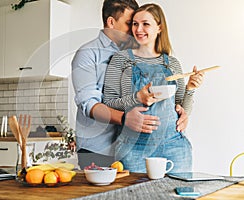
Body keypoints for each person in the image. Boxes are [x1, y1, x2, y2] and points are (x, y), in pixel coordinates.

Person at [71, 0, 188, 169]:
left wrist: (181, 112)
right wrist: (125, 119)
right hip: (98, 148)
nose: (135, 30)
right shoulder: (88, 54)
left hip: (132, 145)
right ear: (111, 22)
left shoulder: (138, 52)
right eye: (130, 23)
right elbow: (88, 104)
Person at [103, 3, 204, 173]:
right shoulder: (120, 60)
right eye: (135, 23)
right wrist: (137, 98)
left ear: (159, 28)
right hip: (133, 147)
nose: (138, 29)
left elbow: (180, 108)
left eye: (145, 24)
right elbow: (109, 103)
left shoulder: (172, 63)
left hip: (174, 146)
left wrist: (190, 88)